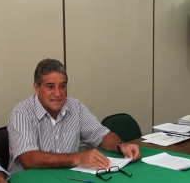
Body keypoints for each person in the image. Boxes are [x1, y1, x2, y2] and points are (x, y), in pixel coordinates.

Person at [8, 58, 141, 173]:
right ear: (37, 88)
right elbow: (28, 159)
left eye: (62, 86)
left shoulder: (75, 107)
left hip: (69, 177)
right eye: (50, 87)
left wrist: (121, 146)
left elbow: (100, 134)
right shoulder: (21, 113)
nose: (58, 93)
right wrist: (78, 158)